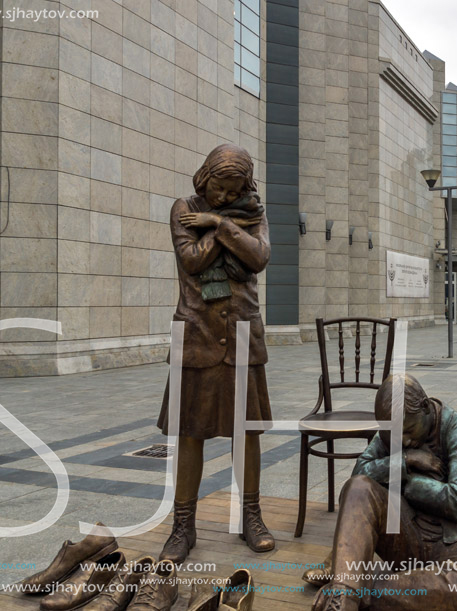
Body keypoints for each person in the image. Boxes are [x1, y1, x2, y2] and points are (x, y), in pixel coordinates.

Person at [156, 144, 274, 563]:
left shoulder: (255, 212)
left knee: (249, 430)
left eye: (233, 190)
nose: (224, 196)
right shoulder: (183, 208)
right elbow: (190, 260)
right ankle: (182, 526)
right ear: (204, 177)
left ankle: (251, 518)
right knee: (190, 432)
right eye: (219, 188)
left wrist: (219, 222)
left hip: (243, 333)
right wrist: (223, 229)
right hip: (197, 333)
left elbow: (258, 257)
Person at [305, 374, 457, 611]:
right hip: (405, 534)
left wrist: (406, 483)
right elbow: (359, 473)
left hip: (455, 542)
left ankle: (356, 586)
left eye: (409, 430)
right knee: (360, 487)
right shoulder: (394, 429)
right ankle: (342, 600)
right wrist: (404, 460)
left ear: (425, 407)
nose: (403, 441)